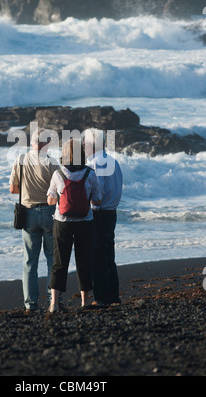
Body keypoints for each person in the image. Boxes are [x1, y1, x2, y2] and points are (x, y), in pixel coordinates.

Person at [47, 138, 101, 312]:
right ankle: (85, 301)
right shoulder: (90, 174)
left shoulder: (58, 174)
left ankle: (54, 303)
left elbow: (50, 200)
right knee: (83, 260)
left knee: (59, 262)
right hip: (85, 222)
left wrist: (61, 198)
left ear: (64, 154)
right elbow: (97, 201)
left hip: (62, 223)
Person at [9, 128, 59, 312]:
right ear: (47, 144)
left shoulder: (20, 160)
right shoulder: (52, 162)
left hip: (28, 213)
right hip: (49, 212)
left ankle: (30, 304)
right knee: (52, 259)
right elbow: (59, 190)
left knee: (30, 261)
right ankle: (53, 301)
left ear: (32, 143)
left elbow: (13, 189)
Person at [83, 128, 123, 306]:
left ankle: (101, 298)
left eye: (85, 143)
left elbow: (98, 196)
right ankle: (113, 296)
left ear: (92, 145)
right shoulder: (113, 161)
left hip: (99, 214)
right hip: (111, 212)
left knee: (97, 257)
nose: (83, 146)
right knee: (108, 256)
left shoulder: (95, 163)